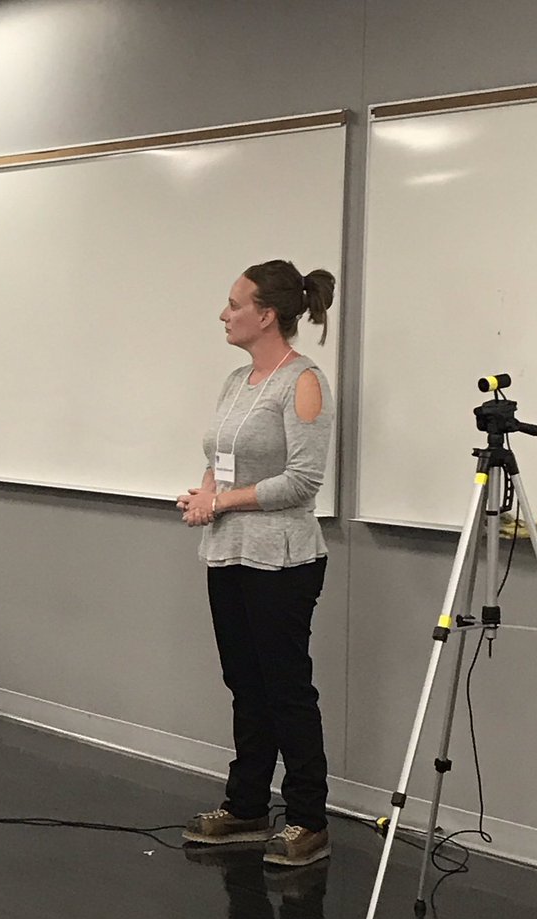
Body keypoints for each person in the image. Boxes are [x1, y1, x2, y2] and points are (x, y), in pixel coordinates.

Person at [178, 260, 336, 867]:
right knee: (245, 684)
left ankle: (307, 818)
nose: (224, 313)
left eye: (234, 303)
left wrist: (223, 501)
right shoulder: (236, 381)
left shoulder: (304, 382)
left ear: (266, 315)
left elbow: (302, 481)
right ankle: (246, 806)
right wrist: (202, 496)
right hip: (228, 551)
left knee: (286, 689)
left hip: (284, 560)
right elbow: (221, 459)